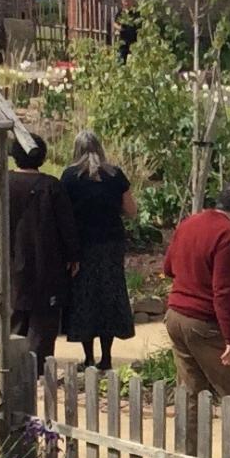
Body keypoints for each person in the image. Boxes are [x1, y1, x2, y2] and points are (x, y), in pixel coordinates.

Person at [161, 181, 230, 416]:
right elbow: (222, 292)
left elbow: (169, 267)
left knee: (191, 392)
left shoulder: (189, 222)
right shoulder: (228, 235)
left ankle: (188, 452)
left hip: (176, 316)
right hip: (205, 321)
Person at [61, 129, 136, 372]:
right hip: (111, 244)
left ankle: (88, 357)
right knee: (109, 295)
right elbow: (131, 209)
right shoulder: (115, 175)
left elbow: (64, 213)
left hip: (83, 245)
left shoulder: (70, 177)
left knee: (85, 297)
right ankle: (106, 356)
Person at [5, 136, 80, 362]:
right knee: (44, 319)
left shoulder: (4, 183)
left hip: (14, 260)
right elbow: (67, 224)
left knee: (17, 312)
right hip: (48, 263)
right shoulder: (51, 186)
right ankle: (38, 368)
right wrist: (73, 255)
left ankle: (13, 367)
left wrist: (1, 247)